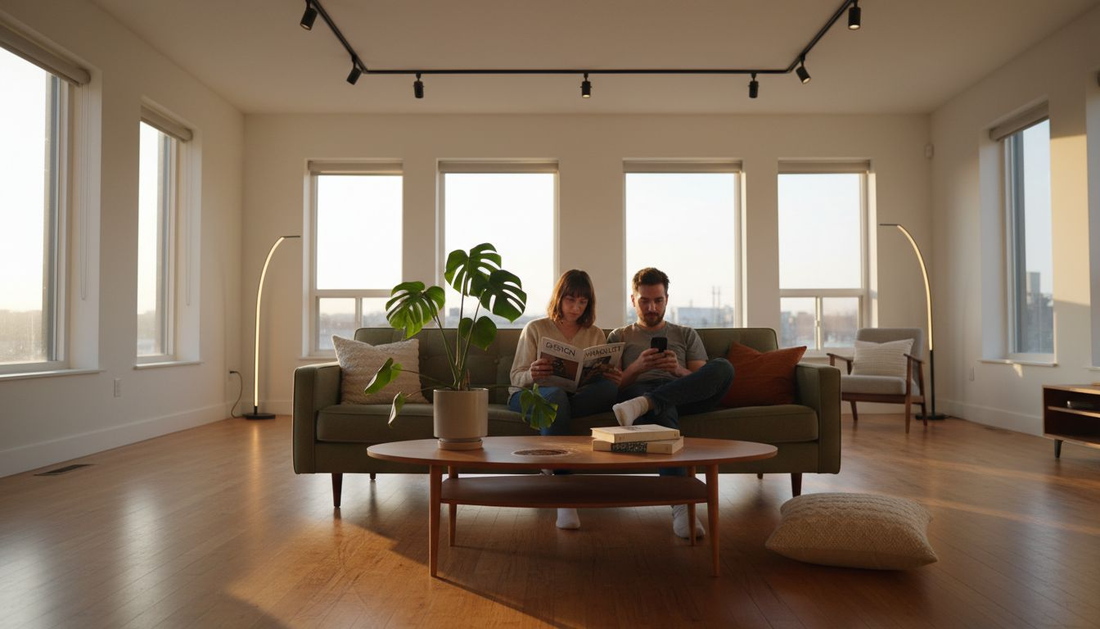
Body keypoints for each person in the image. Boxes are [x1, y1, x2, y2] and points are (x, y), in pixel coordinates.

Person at [608, 267, 735, 539]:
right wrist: (637, 368)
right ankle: (682, 507)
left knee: (723, 367)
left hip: (683, 393)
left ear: (667, 299)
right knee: (662, 412)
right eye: (644, 301)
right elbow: (611, 389)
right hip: (638, 389)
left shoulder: (686, 334)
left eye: (658, 300)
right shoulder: (619, 336)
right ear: (633, 300)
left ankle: (648, 403)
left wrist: (677, 370)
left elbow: (700, 380)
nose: (651, 308)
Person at [509, 269, 621, 530]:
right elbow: (515, 377)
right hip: (531, 395)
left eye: (583, 302)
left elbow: (596, 380)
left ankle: (552, 464)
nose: (576, 308)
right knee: (556, 396)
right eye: (571, 300)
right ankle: (563, 489)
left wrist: (606, 374)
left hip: (574, 396)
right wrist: (533, 374)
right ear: (559, 298)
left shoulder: (594, 333)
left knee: (609, 390)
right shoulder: (535, 328)